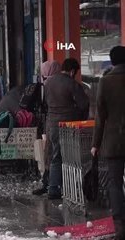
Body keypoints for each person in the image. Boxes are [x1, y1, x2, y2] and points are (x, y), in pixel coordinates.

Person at [91, 46, 125, 239]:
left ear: (112, 61)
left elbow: (100, 116)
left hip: (114, 141)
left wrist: (95, 144)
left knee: (114, 182)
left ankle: (120, 224)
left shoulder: (106, 82)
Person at [44, 58, 89, 200]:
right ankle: (71, 187)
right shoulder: (72, 84)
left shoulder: (48, 83)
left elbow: (45, 103)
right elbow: (83, 104)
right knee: (71, 157)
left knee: (56, 156)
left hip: (52, 124)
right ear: (72, 71)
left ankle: (53, 187)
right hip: (69, 125)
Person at [32, 61, 62, 196]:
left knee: (49, 154)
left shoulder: (44, 85)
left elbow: (42, 106)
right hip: (54, 124)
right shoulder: (54, 84)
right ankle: (52, 185)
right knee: (55, 155)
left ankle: (47, 183)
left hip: (48, 123)